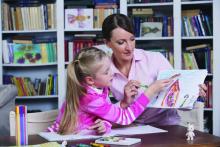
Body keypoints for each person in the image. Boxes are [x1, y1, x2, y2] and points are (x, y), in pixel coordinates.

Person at [101, 13, 207, 126]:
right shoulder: (103, 70)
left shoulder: (155, 59)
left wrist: (193, 95)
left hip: (166, 126)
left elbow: (179, 100)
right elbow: (104, 112)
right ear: (107, 43)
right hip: (131, 126)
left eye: (132, 39)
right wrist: (124, 102)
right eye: (121, 42)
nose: (129, 47)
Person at [47, 47, 175, 135]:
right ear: (90, 80)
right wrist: (150, 91)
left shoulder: (96, 90)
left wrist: (124, 103)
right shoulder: (90, 98)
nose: (112, 73)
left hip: (78, 136)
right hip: (65, 139)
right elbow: (124, 119)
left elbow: (104, 115)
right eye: (106, 71)